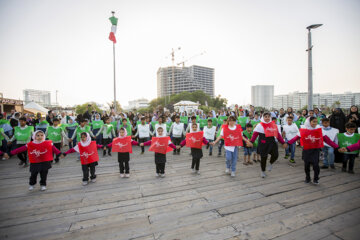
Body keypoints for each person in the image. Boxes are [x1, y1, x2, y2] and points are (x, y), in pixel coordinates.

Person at [287, 117, 339, 184]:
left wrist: (337, 147)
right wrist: (287, 143)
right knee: (306, 165)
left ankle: (316, 178)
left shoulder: (319, 130)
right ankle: (307, 178)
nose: (315, 123)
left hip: (315, 150)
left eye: (316, 122)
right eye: (313, 121)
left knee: (315, 165)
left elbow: (327, 140)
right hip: (306, 150)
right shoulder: (303, 130)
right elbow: (296, 138)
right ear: (309, 122)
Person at [247, 113, 287, 178]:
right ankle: (263, 171)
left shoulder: (273, 125)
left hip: (272, 143)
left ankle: (271, 163)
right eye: (266, 117)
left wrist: (283, 142)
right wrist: (251, 142)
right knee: (263, 158)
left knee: (276, 155)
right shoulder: (260, 125)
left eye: (268, 117)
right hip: (263, 144)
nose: (267, 118)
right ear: (263, 117)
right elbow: (255, 135)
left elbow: (278, 135)